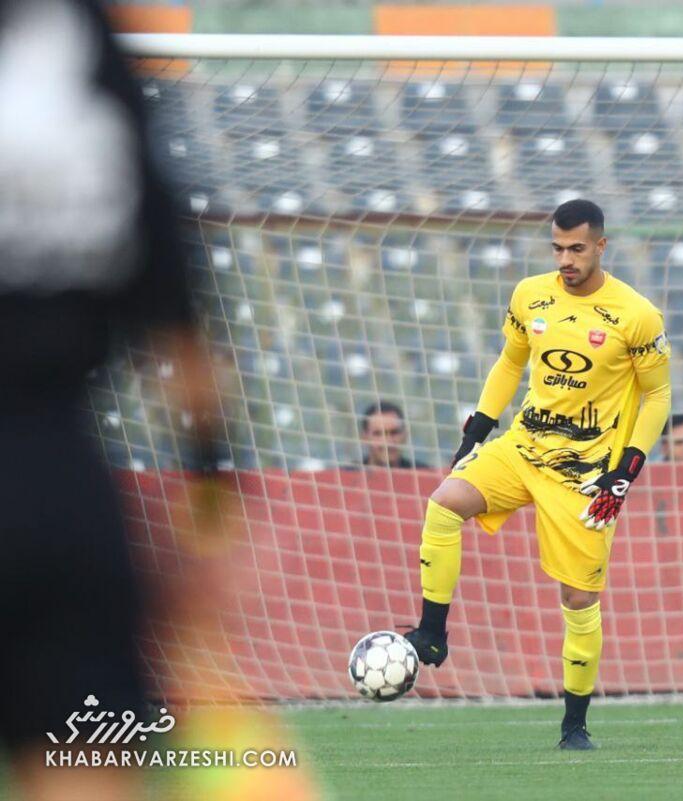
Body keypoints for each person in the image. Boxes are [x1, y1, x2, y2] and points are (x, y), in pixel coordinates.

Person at [0, 3, 313, 799]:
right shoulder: (80, 48)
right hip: (54, 485)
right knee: (81, 766)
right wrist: (210, 511)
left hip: (51, 473)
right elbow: (181, 324)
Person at [402, 199, 671, 750]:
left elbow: (658, 395)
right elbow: (511, 361)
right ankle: (431, 632)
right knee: (445, 503)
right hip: (523, 447)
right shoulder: (530, 294)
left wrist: (626, 470)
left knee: (579, 600)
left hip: (585, 474)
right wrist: (477, 430)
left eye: (577, 248)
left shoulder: (636, 315)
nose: (565, 259)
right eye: (558, 248)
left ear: (601, 246)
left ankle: (574, 725)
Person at [360, 401, 427, 468]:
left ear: (405, 435)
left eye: (394, 432)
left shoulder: (424, 472)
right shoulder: (354, 472)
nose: (388, 442)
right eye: (378, 434)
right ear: (364, 437)